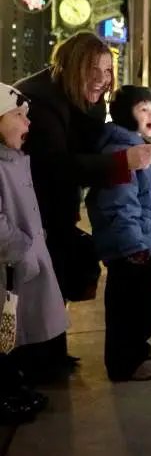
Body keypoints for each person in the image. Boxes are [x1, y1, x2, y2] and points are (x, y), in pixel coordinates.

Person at [16, 32, 151, 376]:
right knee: (40, 283)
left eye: (107, 70)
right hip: (29, 211)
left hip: (55, 209)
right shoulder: (40, 102)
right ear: (69, 67)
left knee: (56, 278)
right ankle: (37, 365)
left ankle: (50, 358)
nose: (102, 79)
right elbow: (55, 166)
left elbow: (88, 149)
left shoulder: (86, 102)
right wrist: (122, 160)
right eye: (92, 70)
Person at [86, 86, 151, 382]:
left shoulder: (138, 146)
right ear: (125, 113)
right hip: (127, 245)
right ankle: (123, 363)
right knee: (125, 305)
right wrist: (133, 243)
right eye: (142, 109)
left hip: (139, 243)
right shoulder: (122, 152)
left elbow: (149, 201)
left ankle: (138, 347)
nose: (150, 115)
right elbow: (120, 203)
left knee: (140, 302)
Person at [0, 83, 67, 422]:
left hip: (14, 271)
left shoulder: (14, 160)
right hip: (9, 268)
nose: (28, 125)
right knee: (4, 334)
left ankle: (13, 387)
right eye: (19, 116)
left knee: (9, 333)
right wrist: (23, 248)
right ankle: (6, 396)